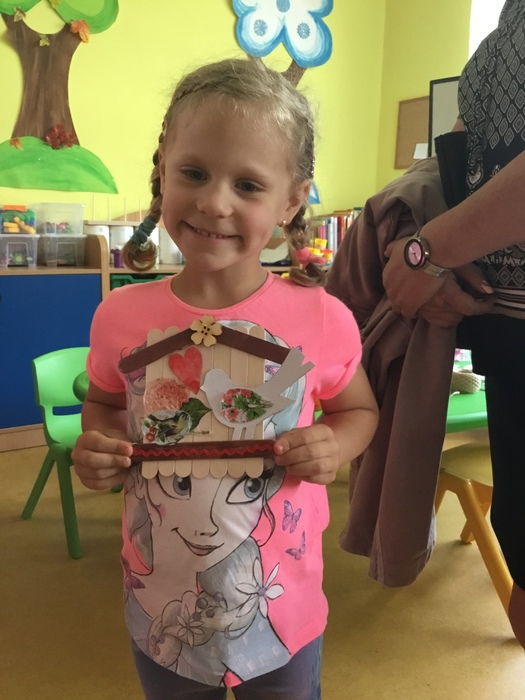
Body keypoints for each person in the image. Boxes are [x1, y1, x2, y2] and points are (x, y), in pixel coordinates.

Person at [71, 57, 379, 699]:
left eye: (247, 184)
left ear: (292, 200)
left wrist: (334, 444)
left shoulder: (322, 317)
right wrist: (99, 446)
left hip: (281, 601)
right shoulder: (119, 315)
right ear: (162, 170)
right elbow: (104, 405)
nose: (214, 202)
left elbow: (359, 411)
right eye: (193, 173)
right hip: (162, 603)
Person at [382, 0, 525, 648]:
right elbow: (458, 163)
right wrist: (426, 254)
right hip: (508, 339)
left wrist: (429, 251)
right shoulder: (500, 38)